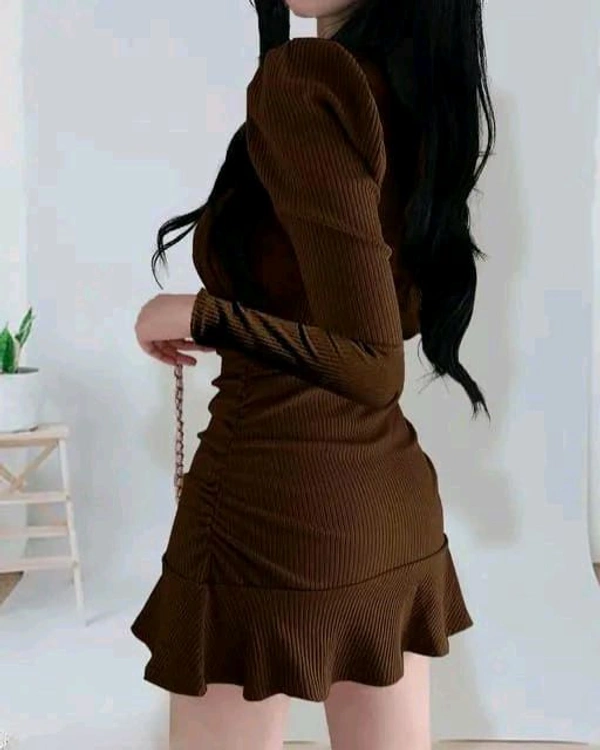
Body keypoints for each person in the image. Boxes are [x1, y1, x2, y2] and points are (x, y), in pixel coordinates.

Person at [132, 0, 495, 748]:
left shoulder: (305, 83)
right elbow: (373, 314)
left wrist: (202, 313)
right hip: (385, 507)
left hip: (270, 505)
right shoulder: (412, 89)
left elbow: (373, 362)